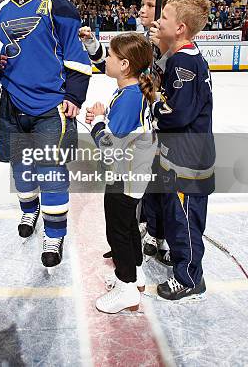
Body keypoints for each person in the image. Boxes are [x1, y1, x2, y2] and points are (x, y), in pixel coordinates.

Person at [0, 0, 91, 267]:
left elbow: (76, 54)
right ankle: (30, 213)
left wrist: (74, 95)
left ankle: (54, 234)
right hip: (12, 105)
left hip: (51, 106)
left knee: (52, 172)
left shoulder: (57, 6)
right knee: (20, 169)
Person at [85, 33, 157, 313]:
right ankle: (134, 275)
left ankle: (127, 287)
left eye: (112, 57)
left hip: (124, 176)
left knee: (118, 232)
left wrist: (99, 122)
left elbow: (109, 150)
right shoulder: (132, 90)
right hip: (133, 174)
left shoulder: (129, 98)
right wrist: (102, 122)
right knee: (128, 227)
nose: (107, 60)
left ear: (125, 64)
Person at [152, 0, 215, 301]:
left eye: (164, 16)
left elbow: (177, 115)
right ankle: (182, 261)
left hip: (187, 158)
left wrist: (154, 104)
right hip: (185, 154)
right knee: (177, 213)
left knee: (184, 217)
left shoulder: (183, 62)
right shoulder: (183, 56)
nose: (158, 21)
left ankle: (190, 277)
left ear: (180, 28)